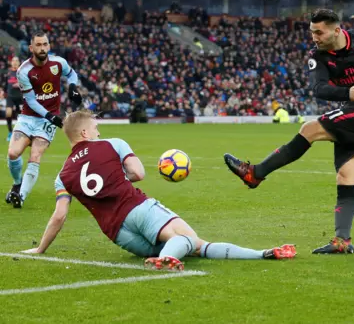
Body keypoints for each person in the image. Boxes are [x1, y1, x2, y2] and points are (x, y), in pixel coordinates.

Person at [223, 8, 354, 254]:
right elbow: (318, 88)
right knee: (346, 176)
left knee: (309, 129)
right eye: (312, 32)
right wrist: (346, 92)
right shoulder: (318, 56)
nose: (314, 37)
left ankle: (255, 173)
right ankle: (342, 241)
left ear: (336, 30)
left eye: (318, 32)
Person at [21, 110, 296, 270]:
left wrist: (41, 249)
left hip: (118, 234)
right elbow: (138, 173)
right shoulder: (112, 144)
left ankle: (261, 254)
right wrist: (119, 177)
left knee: (197, 247)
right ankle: (165, 259)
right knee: (188, 239)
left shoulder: (63, 175)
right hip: (137, 209)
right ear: (83, 134)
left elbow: (59, 216)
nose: (98, 130)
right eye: (95, 128)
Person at [6, 32, 83, 209]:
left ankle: (21, 196)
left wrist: (72, 86)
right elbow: (31, 101)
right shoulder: (24, 71)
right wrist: (49, 115)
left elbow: (72, 74)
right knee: (13, 153)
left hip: (47, 122)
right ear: (31, 48)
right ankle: (17, 183)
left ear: (49, 46)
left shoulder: (59, 62)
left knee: (35, 156)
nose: (42, 48)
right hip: (28, 117)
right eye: (38, 45)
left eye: (45, 44)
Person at [5, 56, 23, 141]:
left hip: (20, 97)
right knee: (8, 113)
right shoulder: (8, 73)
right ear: (11, 62)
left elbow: (28, 84)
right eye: (13, 61)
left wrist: (20, 84)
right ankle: (10, 132)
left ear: (19, 63)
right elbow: (4, 84)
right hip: (10, 96)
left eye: (16, 60)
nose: (15, 62)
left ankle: (20, 133)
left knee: (21, 116)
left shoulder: (22, 72)